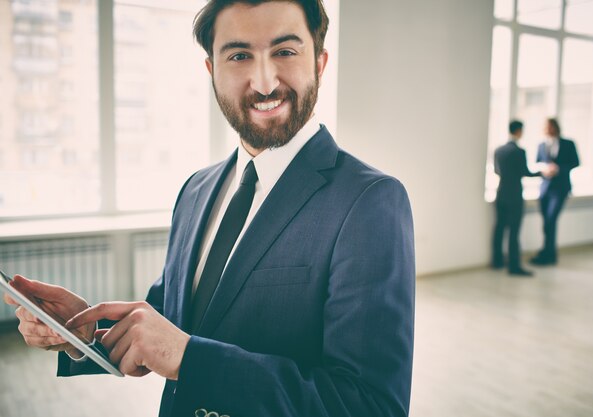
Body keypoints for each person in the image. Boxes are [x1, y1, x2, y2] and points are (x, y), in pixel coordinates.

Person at [3, 1, 416, 417]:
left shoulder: (370, 202)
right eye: (239, 56)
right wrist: (86, 330)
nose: (265, 81)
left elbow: (369, 405)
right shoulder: (196, 189)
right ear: (211, 71)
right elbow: (175, 322)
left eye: (285, 52)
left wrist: (190, 359)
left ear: (320, 63)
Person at [491, 120, 541, 277]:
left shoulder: (499, 150)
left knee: (499, 228)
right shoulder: (519, 152)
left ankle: (497, 261)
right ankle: (514, 266)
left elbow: (497, 171)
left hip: (501, 194)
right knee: (514, 232)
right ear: (519, 131)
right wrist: (542, 173)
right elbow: (525, 172)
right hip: (514, 196)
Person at [530, 117, 580, 266]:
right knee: (546, 222)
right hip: (545, 189)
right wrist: (544, 170)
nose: (547, 129)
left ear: (556, 127)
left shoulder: (568, 144)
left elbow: (575, 162)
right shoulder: (541, 145)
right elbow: (538, 162)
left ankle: (549, 253)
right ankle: (548, 253)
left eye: (550, 126)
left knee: (551, 220)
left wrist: (558, 169)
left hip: (560, 188)